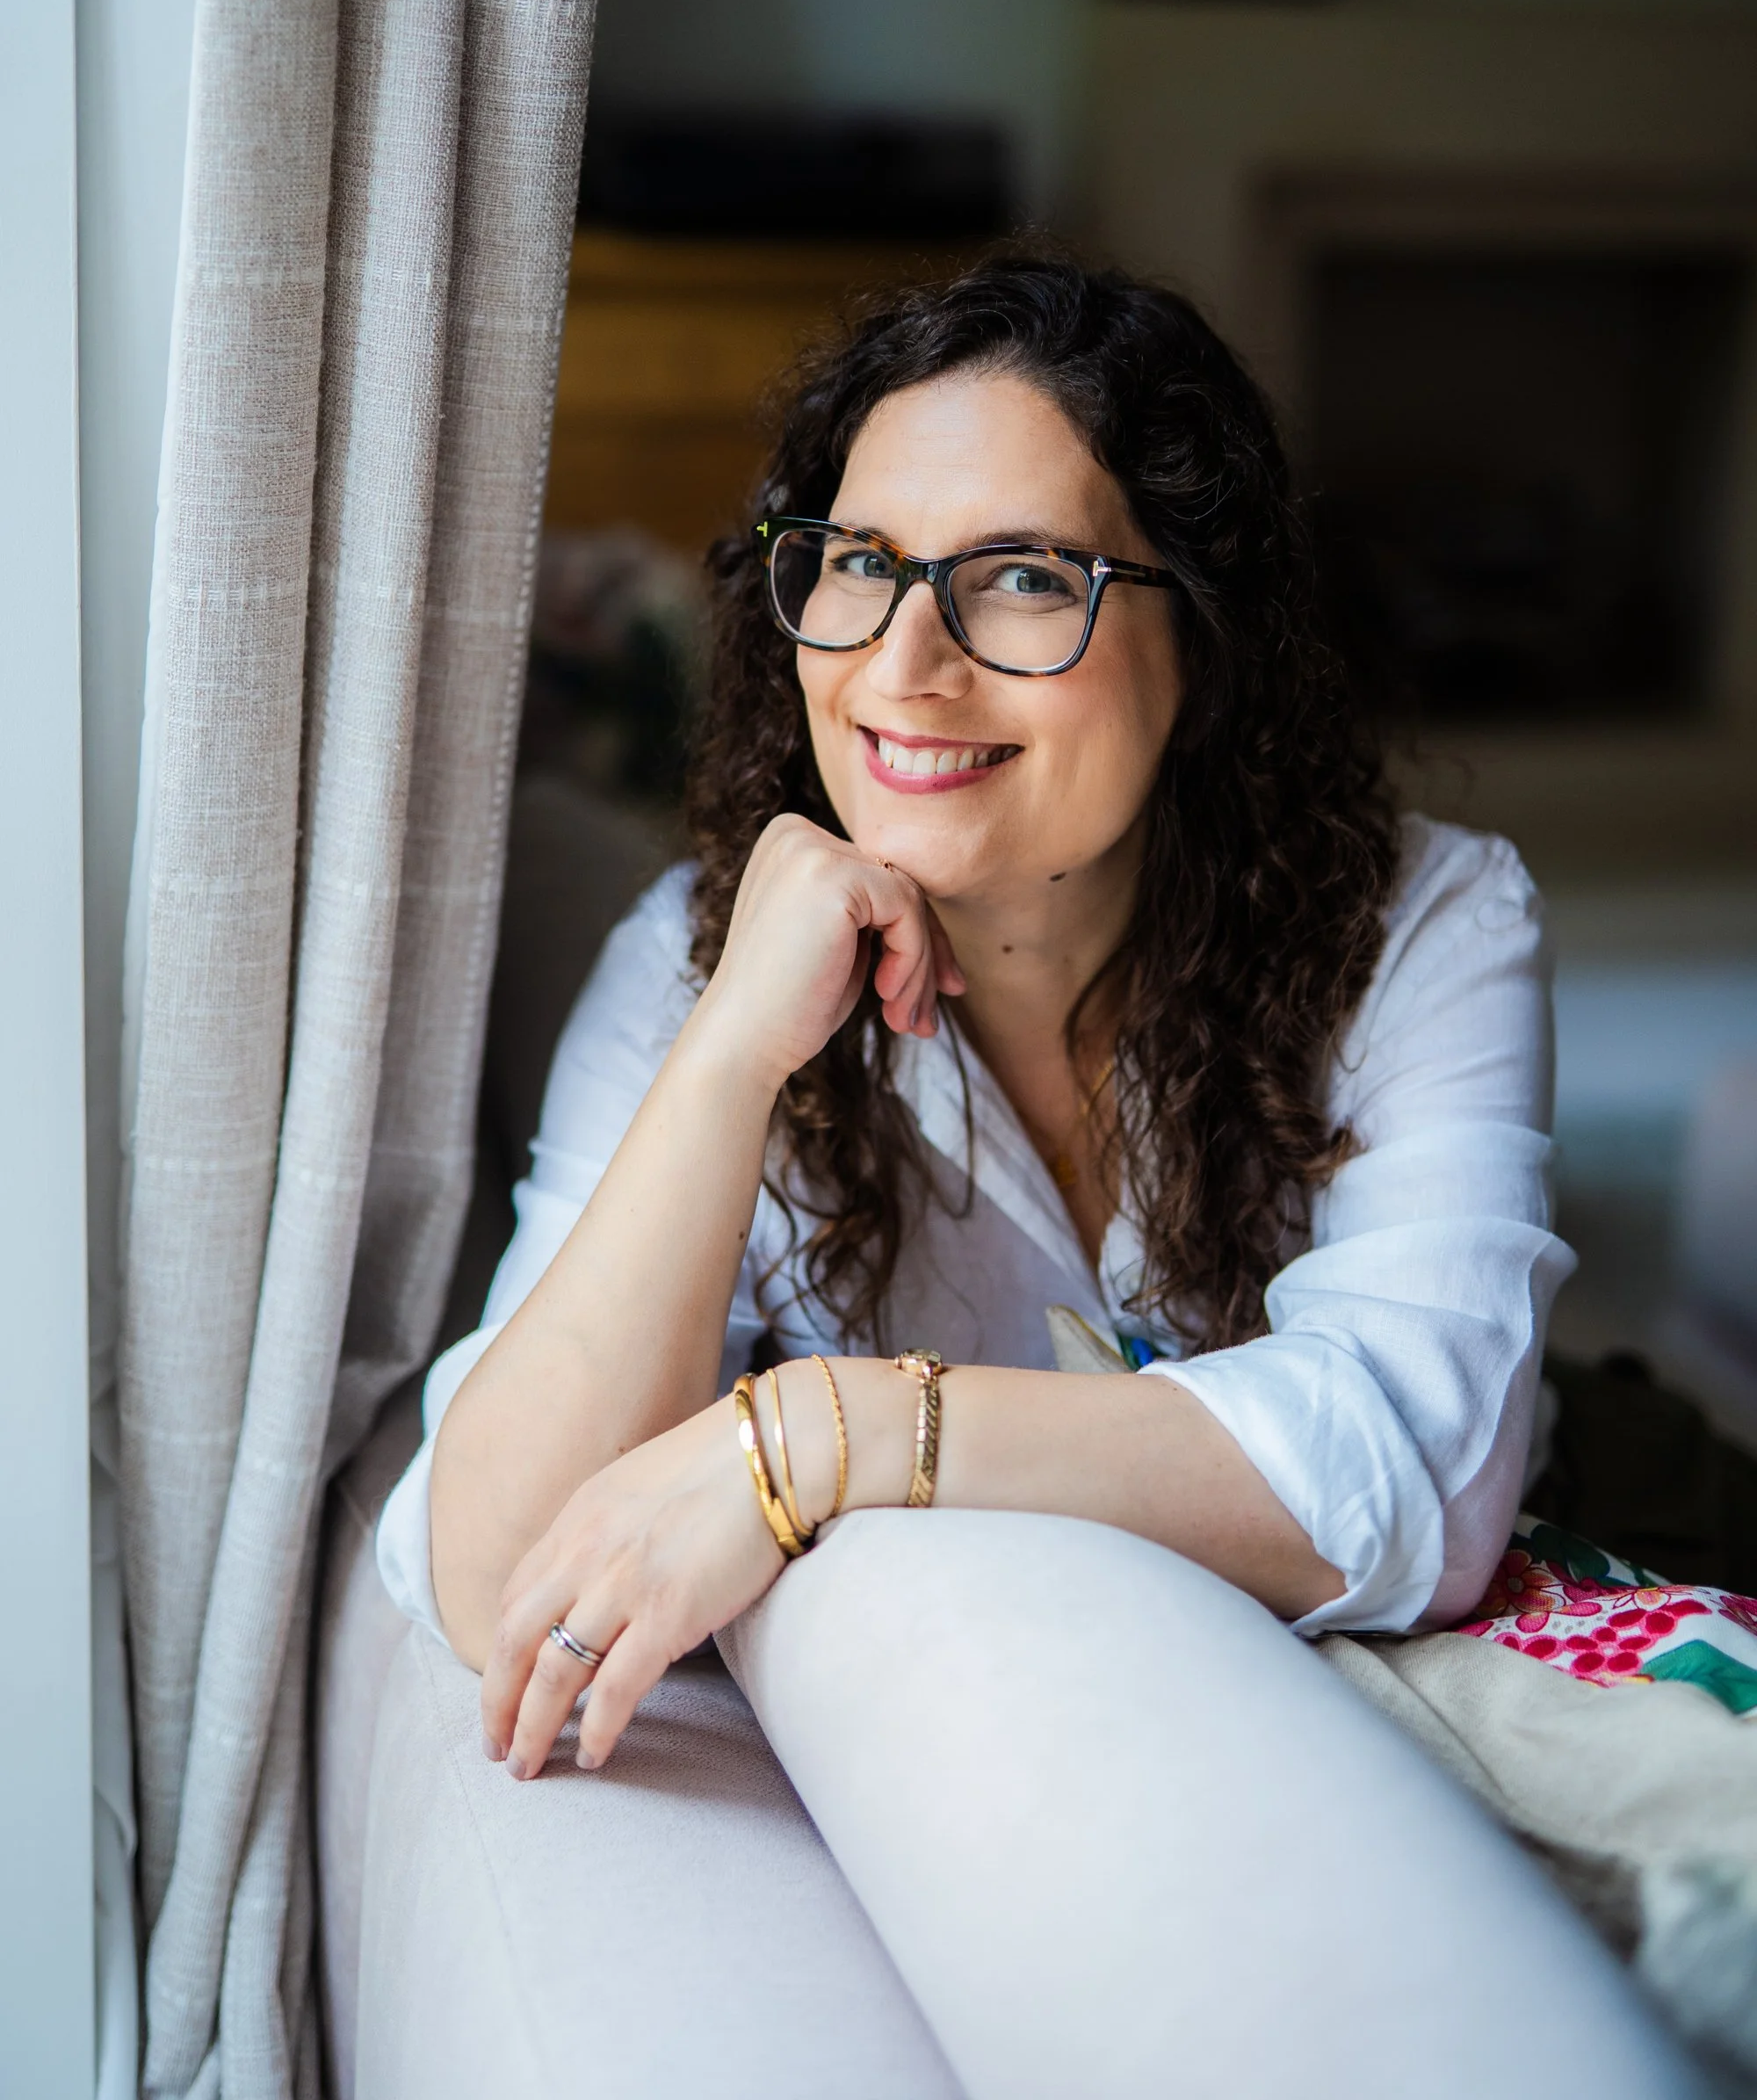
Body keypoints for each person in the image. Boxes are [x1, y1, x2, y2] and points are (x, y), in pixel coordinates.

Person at [376, 257, 1689, 2096]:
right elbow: (499, 1561)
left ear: (1201, 640)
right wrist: (737, 1051)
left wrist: (820, 1437)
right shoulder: (696, 959)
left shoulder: (1422, 925)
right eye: (857, 564)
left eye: (1020, 579)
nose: (904, 666)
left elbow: (1408, 1474)